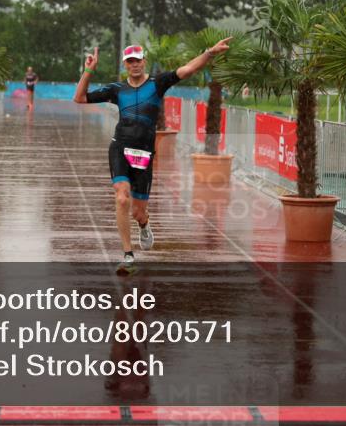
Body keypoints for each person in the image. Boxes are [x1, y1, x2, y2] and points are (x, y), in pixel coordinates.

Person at [74, 40, 231, 274]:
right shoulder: (117, 89)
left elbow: (188, 70)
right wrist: (88, 70)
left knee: (138, 211)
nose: (135, 64)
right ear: (125, 65)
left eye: (138, 60)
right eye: (130, 61)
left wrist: (208, 52)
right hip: (120, 148)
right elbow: (80, 98)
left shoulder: (158, 84)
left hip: (144, 154)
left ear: (144, 61)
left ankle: (144, 224)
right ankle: (128, 255)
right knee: (121, 198)